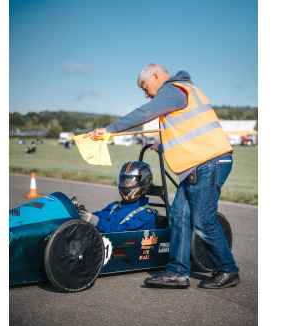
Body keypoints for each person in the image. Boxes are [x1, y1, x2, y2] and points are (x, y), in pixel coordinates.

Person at [85, 63, 239, 289]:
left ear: (156, 76)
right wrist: (163, 144)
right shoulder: (182, 91)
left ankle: (227, 270)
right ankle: (177, 272)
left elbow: (145, 113)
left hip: (209, 163)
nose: (147, 95)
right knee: (178, 216)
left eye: (146, 88)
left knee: (203, 221)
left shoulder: (173, 89)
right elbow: (190, 133)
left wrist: (110, 130)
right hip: (200, 164)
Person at [79, 161, 159, 233]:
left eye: (129, 182)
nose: (125, 185)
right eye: (123, 181)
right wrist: (84, 214)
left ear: (143, 183)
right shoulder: (115, 206)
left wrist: (97, 222)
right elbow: (100, 215)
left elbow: (123, 231)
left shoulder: (148, 216)